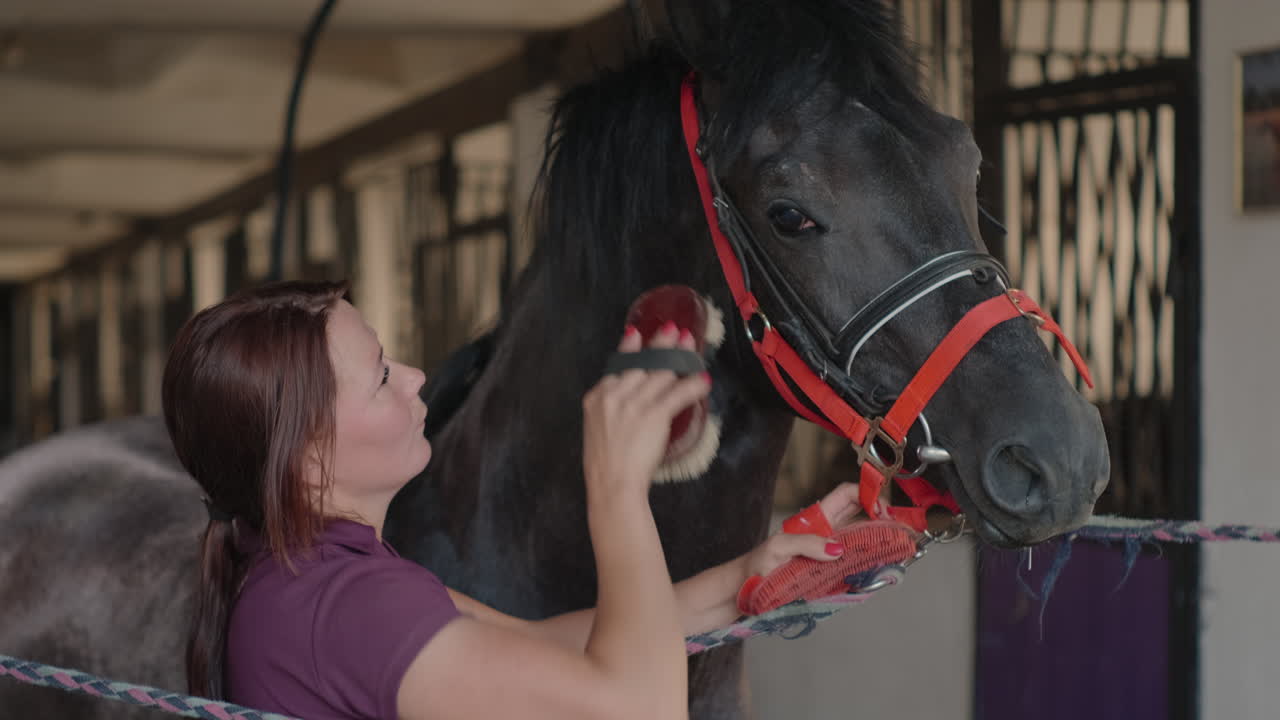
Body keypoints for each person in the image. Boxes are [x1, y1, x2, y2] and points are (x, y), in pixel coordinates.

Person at [161, 280, 859, 720]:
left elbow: (541, 648)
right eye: (378, 378)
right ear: (308, 463)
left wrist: (752, 575)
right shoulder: (345, 609)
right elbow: (635, 710)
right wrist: (615, 487)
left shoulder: (313, 576)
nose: (414, 377)